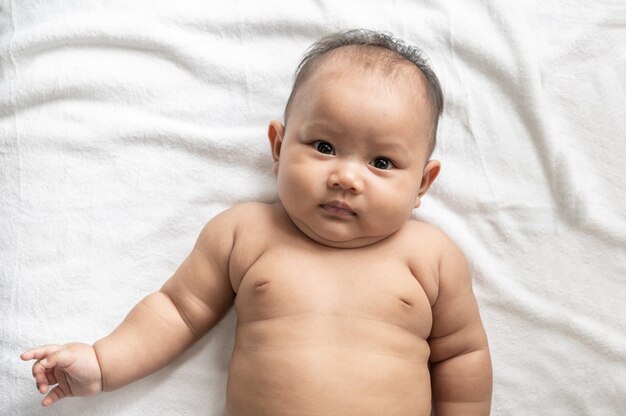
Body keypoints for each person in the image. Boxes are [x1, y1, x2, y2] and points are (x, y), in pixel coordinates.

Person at [21, 29, 492, 415]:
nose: (346, 177)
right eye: (324, 147)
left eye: (383, 162)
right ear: (279, 147)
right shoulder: (245, 232)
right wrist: (104, 362)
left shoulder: (431, 256)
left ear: (423, 185)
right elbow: (177, 311)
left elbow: (461, 354)